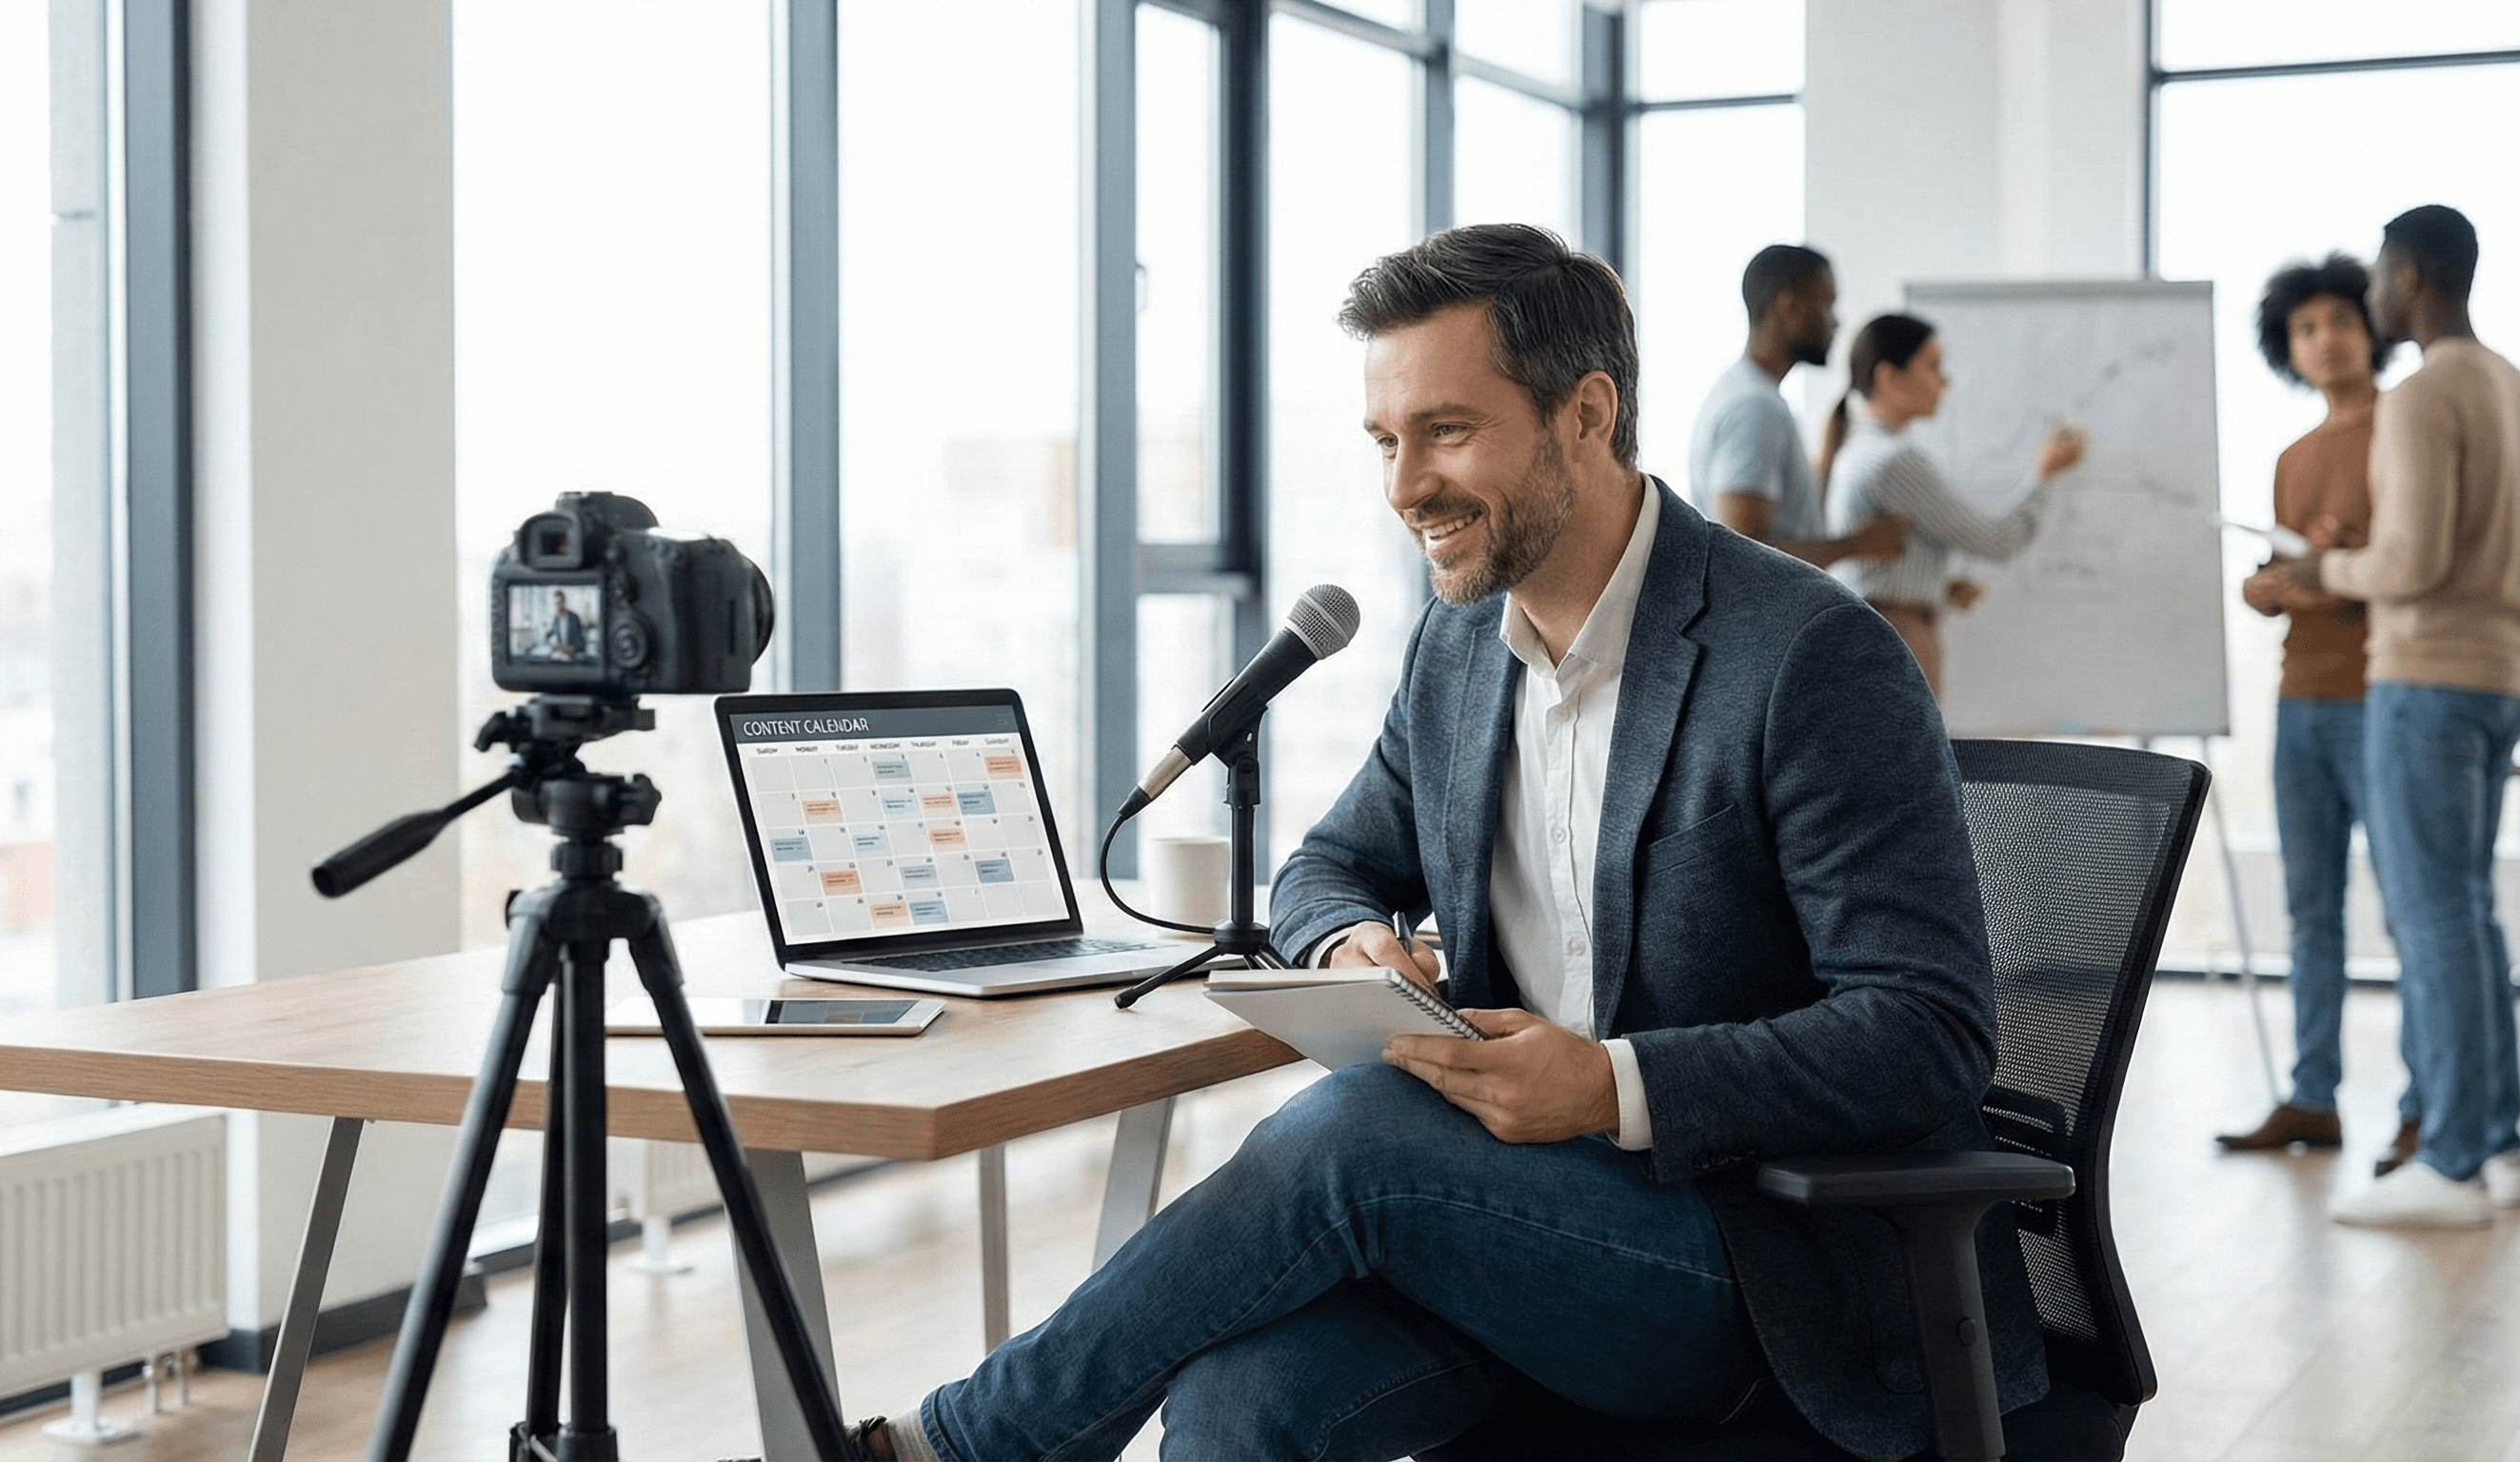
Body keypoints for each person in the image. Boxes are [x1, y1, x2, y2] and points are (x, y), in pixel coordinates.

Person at [744, 225, 2046, 1462]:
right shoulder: (1458, 648)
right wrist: (1349, 936)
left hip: (1764, 1263)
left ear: (1586, 416)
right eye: (1384, 438)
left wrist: (1610, 1084)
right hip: (1507, 1215)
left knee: (1357, 1136)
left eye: (1448, 430)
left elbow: (1926, 1034)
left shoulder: (1807, 657)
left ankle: (961, 1444)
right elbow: (1327, 864)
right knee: (1239, 1395)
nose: (1405, 484)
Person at [2274, 205, 2520, 1228]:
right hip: (2502, 677)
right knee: (2468, 912)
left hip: (2422, 679)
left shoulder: (2418, 396)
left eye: (2379, 280)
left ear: (2411, 278)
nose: (2370, 299)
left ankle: (2445, 1160)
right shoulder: (2519, 394)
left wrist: (2319, 567)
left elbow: (2406, 565)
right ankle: (2496, 1147)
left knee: (2435, 916)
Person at [2214, 254, 2424, 1173]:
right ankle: (2313, 1097)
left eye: (2340, 319)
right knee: (2311, 909)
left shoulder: (2407, 428)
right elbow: (2275, 581)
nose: (2325, 339)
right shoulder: (2293, 459)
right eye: (2306, 329)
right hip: (2300, 703)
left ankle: (2427, 1106)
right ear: (2287, 349)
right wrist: (2295, 582)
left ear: (2371, 326)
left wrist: (2312, 577)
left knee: (2413, 912)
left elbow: (2402, 572)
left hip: (2388, 696)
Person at [1817, 314, 2085, 696]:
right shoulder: (1895, 461)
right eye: (1933, 365)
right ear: (1888, 377)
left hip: (1883, 636)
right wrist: (2043, 477)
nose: (1945, 381)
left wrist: (1935, 588)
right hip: (1900, 640)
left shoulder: (1857, 450)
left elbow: (1879, 568)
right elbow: (1997, 541)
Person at [1688, 244, 1911, 567]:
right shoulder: (1754, 408)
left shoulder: (1752, 395)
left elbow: (1777, 529)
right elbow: (1739, 556)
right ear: (1789, 306)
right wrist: (1858, 544)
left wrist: (1826, 458)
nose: (1836, 323)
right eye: (1828, 305)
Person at [541, 590, 588, 661]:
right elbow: (551, 633)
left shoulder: (574, 617)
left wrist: (571, 649)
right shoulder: (556, 619)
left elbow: (581, 642)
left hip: (572, 654)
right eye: (555, 604)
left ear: (564, 602)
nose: (557, 606)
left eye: (559, 603)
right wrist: (545, 634)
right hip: (561, 653)